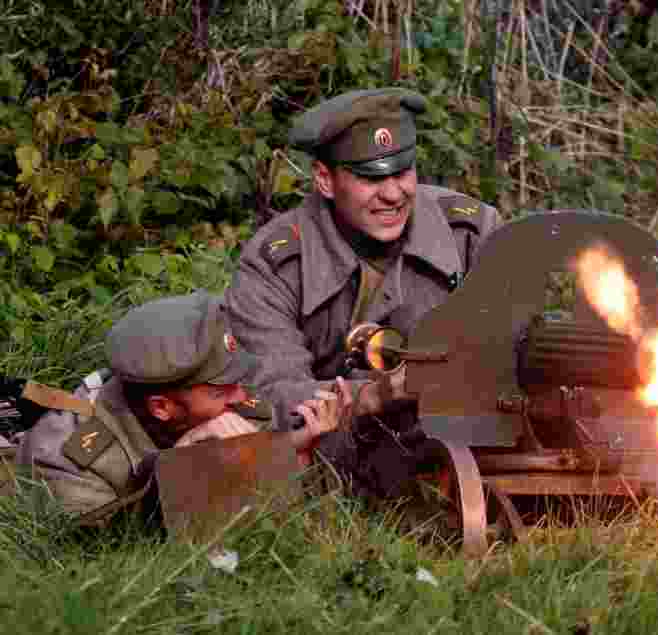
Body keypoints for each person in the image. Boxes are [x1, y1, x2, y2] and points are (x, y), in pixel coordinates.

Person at [224, 87, 501, 429]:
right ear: (325, 180)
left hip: (468, 433)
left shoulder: (472, 232)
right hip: (338, 454)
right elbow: (270, 396)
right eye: (370, 178)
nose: (392, 194)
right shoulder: (274, 267)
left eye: (401, 172)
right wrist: (373, 396)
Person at [15, 291, 345, 524]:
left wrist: (293, 455)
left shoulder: (241, 406)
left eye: (237, 381)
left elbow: (268, 521)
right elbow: (97, 553)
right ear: (162, 406)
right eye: (219, 392)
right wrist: (178, 466)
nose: (240, 396)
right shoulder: (70, 456)